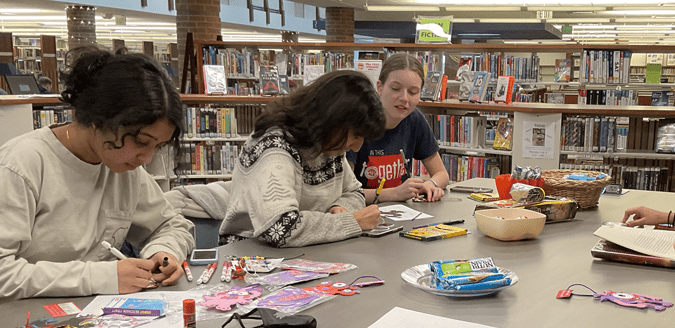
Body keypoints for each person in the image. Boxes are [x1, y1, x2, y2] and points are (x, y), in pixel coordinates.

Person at [0, 46, 195, 301]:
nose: (146, 159)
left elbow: (171, 225)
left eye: (157, 147)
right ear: (99, 120)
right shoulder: (21, 165)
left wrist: (163, 252)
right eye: (140, 141)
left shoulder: (123, 168)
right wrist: (101, 276)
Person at [218, 70, 386, 247]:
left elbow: (354, 192)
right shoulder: (273, 146)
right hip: (251, 255)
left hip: (308, 249)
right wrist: (351, 222)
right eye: (355, 135)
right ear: (332, 120)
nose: (357, 147)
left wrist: (338, 209)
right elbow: (280, 228)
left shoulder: (328, 144)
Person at [347, 53, 449, 203]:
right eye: (395, 88)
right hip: (361, 213)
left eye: (413, 92)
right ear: (379, 87)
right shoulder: (357, 122)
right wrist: (393, 194)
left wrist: (430, 184)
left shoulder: (415, 119)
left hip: (401, 212)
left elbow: (442, 174)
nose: (404, 98)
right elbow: (344, 192)